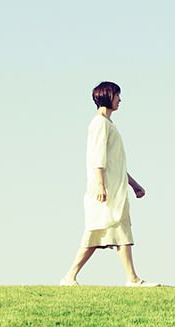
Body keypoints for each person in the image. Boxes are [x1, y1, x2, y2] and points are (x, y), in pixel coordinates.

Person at [60, 81, 158, 287]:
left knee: (121, 232)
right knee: (95, 233)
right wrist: (101, 185)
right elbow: (98, 157)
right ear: (108, 96)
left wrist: (134, 184)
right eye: (117, 96)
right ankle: (70, 276)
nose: (120, 100)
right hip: (106, 191)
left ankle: (132, 278)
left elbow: (117, 163)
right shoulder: (99, 124)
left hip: (116, 190)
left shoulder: (108, 124)